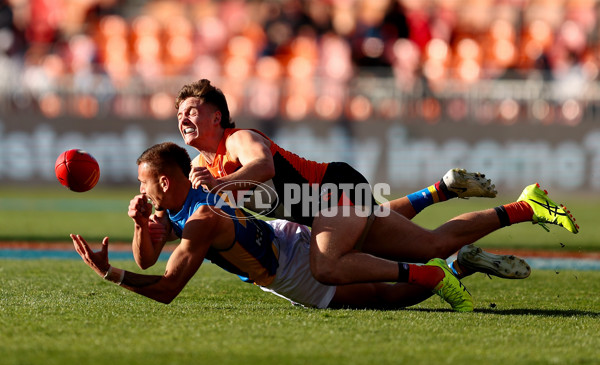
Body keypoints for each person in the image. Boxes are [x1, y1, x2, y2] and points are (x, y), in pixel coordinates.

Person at [72, 143, 572, 312]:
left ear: (164, 179)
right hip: (301, 223)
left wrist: (109, 275)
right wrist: (142, 225)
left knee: (409, 277)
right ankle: (448, 194)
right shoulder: (188, 195)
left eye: (144, 185)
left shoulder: (200, 219)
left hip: (297, 269)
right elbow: (147, 257)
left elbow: (164, 288)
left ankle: (452, 270)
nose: (139, 192)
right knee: (382, 224)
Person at [174, 79, 578, 286]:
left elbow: (262, 168)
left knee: (327, 266)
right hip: (323, 209)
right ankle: (528, 206)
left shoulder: (238, 139)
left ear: (217, 117)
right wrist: (156, 221)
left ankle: (436, 276)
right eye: (180, 113)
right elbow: (214, 213)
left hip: (334, 191)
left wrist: (219, 186)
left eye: (193, 110)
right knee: (431, 245)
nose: (184, 118)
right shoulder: (202, 164)